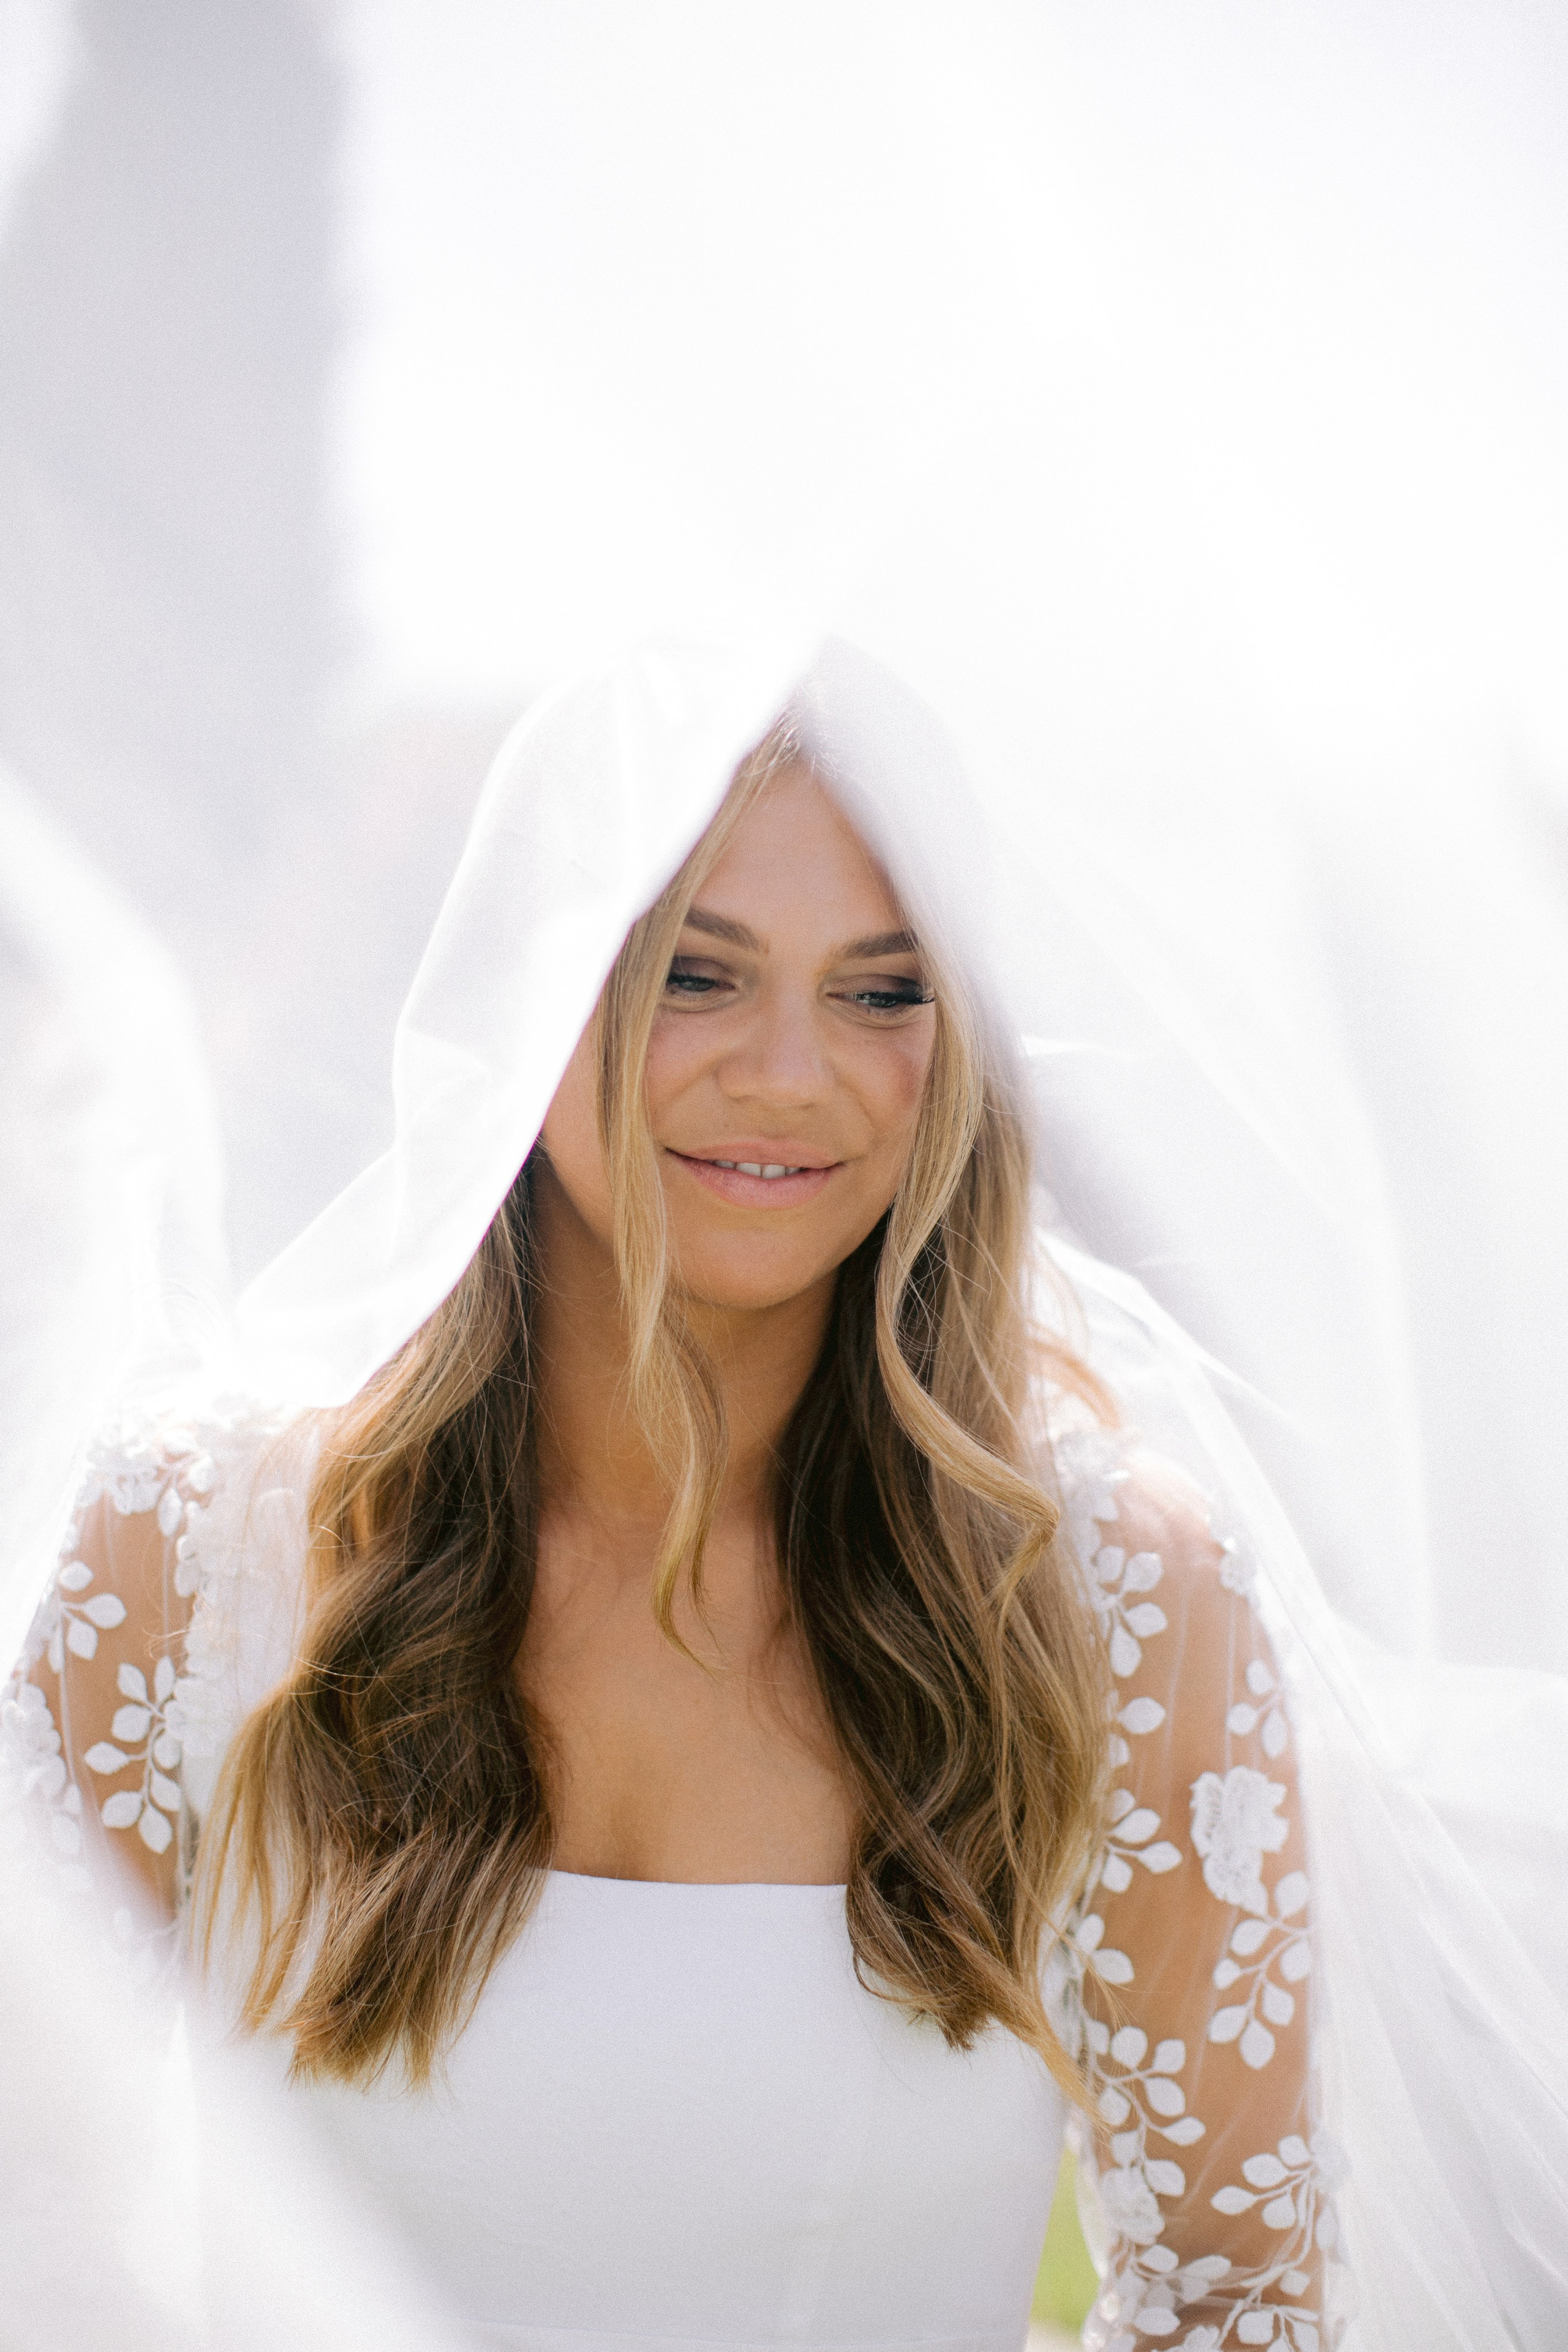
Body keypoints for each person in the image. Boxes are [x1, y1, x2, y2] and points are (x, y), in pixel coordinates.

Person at [4, 647, 1332, 2352]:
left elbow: (1235, 2299)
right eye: (697, 974)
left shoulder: (1115, 1607)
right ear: (530, 985)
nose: (790, 1072)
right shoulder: (194, 1553)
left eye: (881, 991)